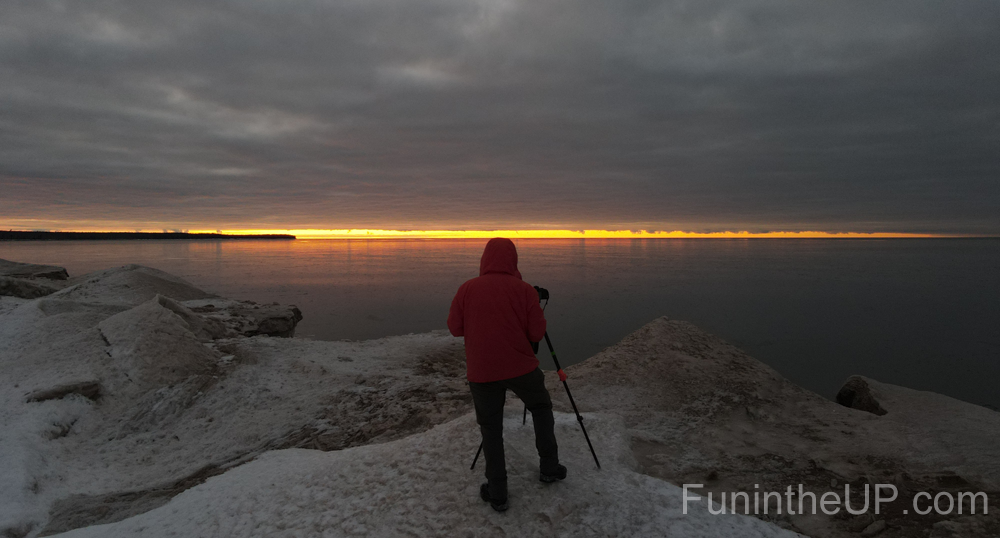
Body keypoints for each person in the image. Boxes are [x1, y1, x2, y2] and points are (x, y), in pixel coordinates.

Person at [447, 237, 567, 512]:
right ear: (513, 260)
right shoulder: (524, 291)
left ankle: (498, 492)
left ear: (484, 259)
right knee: (540, 407)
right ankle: (549, 467)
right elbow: (536, 334)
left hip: (482, 371)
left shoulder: (467, 289)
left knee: (491, 428)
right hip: (521, 368)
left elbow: (455, 328)